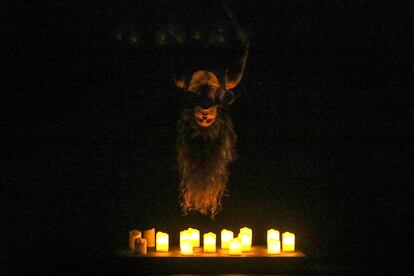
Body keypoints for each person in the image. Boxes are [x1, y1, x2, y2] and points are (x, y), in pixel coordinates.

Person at [170, 4, 250, 217]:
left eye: (200, 120)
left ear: (192, 114)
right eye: (209, 121)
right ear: (218, 115)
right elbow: (243, 43)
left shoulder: (181, 80)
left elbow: (174, 40)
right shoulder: (230, 80)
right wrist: (227, 12)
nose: (205, 117)